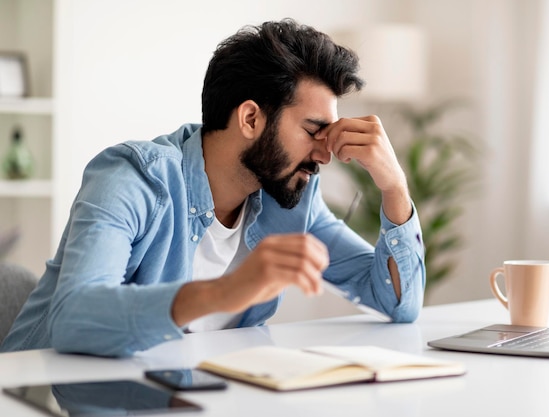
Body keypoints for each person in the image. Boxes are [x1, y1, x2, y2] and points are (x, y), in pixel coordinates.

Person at [1, 19, 425, 357]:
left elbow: (397, 304)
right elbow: (75, 319)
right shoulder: (132, 177)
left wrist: (394, 186)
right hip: (44, 397)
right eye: (314, 130)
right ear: (250, 119)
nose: (325, 154)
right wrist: (226, 292)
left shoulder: (290, 202)